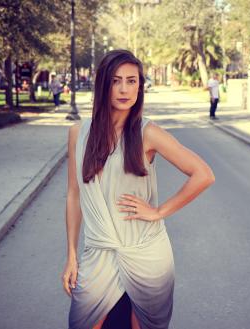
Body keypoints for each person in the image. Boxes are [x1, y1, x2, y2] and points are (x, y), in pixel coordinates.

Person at [62, 49, 215, 329]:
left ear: (139, 86)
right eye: (116, 80)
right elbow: (74, 194)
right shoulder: (78, 133)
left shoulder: (148, 133)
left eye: (132, 81)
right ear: (102, 84)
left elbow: (203, 174)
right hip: (98, 255)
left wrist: (159, 212)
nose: (124, 89)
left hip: (147, 255)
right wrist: (71, 254)